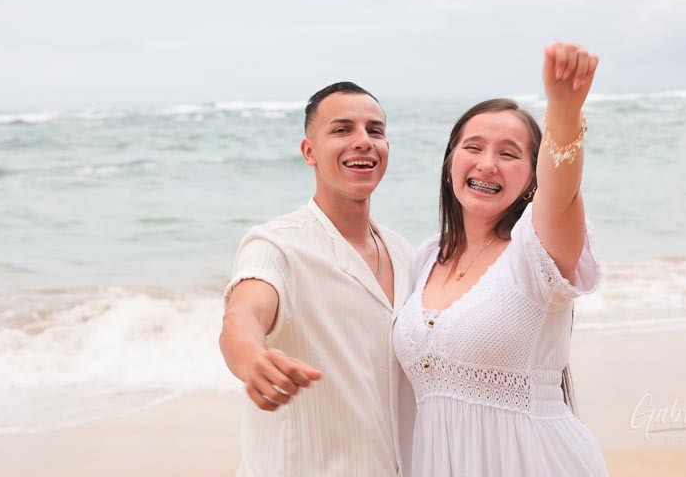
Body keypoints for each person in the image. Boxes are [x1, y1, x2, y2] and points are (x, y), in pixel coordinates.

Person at [393, 42, 609, 476]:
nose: (488, 164)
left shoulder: (534, 252)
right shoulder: (428, 256)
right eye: (473, 147)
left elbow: (561, 194)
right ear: (450, 163)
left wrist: (564, 110)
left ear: (531, 178)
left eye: (509, 154)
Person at [219, 82, 415, 477]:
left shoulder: (404, 252)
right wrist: (253, 359)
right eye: (342, 129)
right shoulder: (277, 244)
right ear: (309, 151)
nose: (363, 141)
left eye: (375, 131)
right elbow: (242, 315)